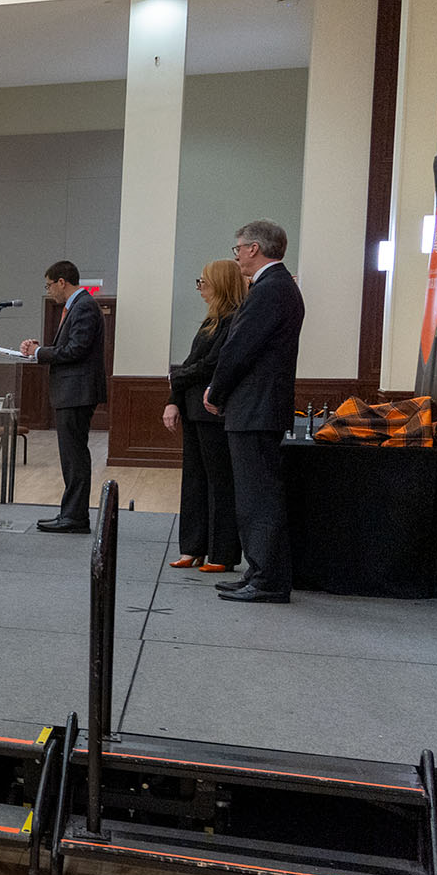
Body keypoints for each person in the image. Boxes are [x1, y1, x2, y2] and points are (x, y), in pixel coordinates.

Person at [204, 220, 305, 604]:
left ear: (253, 249)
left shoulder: (270, 289)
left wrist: (217, 388)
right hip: (260, 406)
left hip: (256, 407)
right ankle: (259, 573)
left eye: (238, 249)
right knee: (255, 496)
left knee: (258, 498)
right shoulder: (278, 287)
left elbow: (239, 347)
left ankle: (267, 580)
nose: (237, 256)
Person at [165, 260, 247, 573]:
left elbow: (213, 365)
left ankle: (222, 553)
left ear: (222, 284)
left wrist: (177, 377)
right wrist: (173, 398)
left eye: (205, 282)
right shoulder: (211, 320)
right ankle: (193, 547)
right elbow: (190, 364)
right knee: (194, 482)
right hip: (193, 409)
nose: (201, 288)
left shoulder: (233, 319)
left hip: (213, 413)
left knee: (219, 483)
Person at [22, 259, 104, 534]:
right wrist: (41, 348)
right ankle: (70, 513)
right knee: (71, 456)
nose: (49, 292)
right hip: (72, 391)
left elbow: (75, 350)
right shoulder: (77, 306)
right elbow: (68, 347)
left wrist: (39, 354)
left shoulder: (84, 306)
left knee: (75, 456)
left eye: (49, 285)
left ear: (61, 282)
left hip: (77, 392)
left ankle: (75, 517)